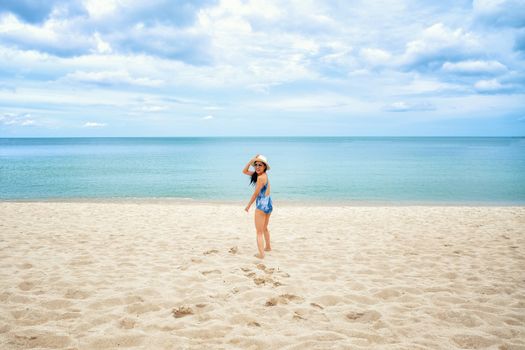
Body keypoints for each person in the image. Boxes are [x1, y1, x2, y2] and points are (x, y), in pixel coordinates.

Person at [243, 154, 273, 259]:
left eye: (260, 165)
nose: (257, 167)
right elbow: (244, 171)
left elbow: (256, 194)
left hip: (261, 205)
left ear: (265, 167)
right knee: (264, 228)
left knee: (259, 232)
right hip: (269, 204)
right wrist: (251, 160)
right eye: (255, 165)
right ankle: (268, 247)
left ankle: (261, 254)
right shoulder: (262, 175)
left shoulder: (261, 178)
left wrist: (248, 206)